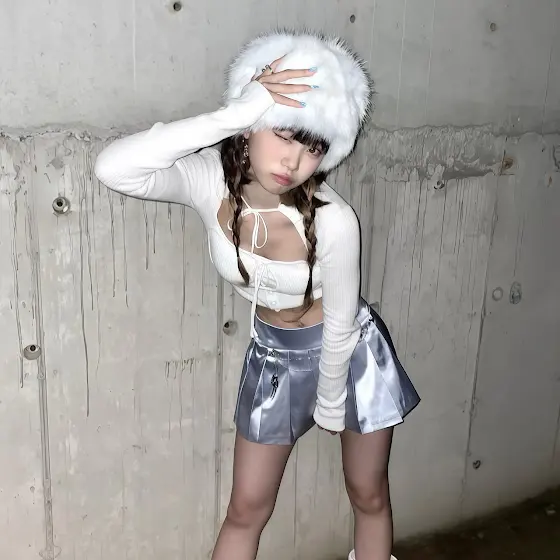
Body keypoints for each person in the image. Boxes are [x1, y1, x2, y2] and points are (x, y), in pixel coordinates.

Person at [94, 29, 420, 560]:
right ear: (253, 123)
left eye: (314, 147)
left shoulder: (335, 220)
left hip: (351, 355)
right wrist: (234, 114)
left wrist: (331, 399)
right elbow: (113, 168)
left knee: (368, 494)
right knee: (246, 509)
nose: (294, 161)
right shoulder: (209, 182)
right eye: (284, 134)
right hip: (274, 355)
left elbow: (341, 321)